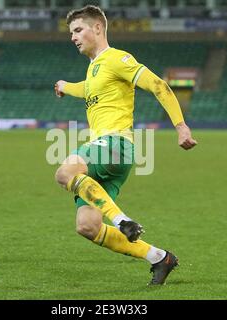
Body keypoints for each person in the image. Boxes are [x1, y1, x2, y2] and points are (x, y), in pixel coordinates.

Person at [54, 5, 197, 285]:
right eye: (71, 32)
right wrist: (64, 86)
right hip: (109, 159)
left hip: (115, 145)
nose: (73, 37)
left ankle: (122, 221)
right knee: (88, 226)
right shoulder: (95, 68)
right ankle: (159, 257)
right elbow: (87, 88)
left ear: (98, 28)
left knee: (64, 173)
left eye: (78, 30)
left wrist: (181, 126)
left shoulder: (117, 58)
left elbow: (158, 85)